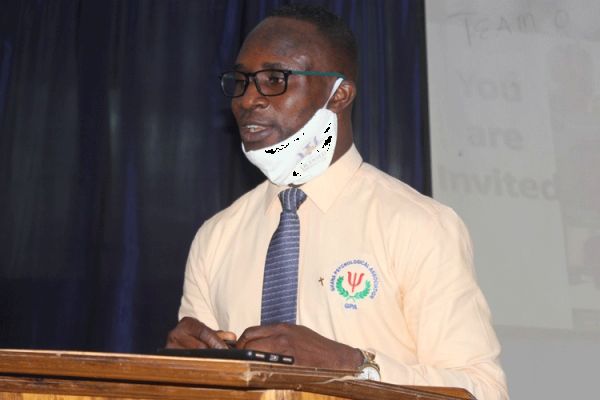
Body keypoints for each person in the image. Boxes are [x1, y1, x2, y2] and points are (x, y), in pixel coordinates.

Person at [166, 4, 508, 399]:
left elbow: (484, 391)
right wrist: (183, 372)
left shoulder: (418, 225)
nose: (248, 100)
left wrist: (351, 365)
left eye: (274, 79)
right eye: (241, 81)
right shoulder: (217, 236)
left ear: (339, 94)